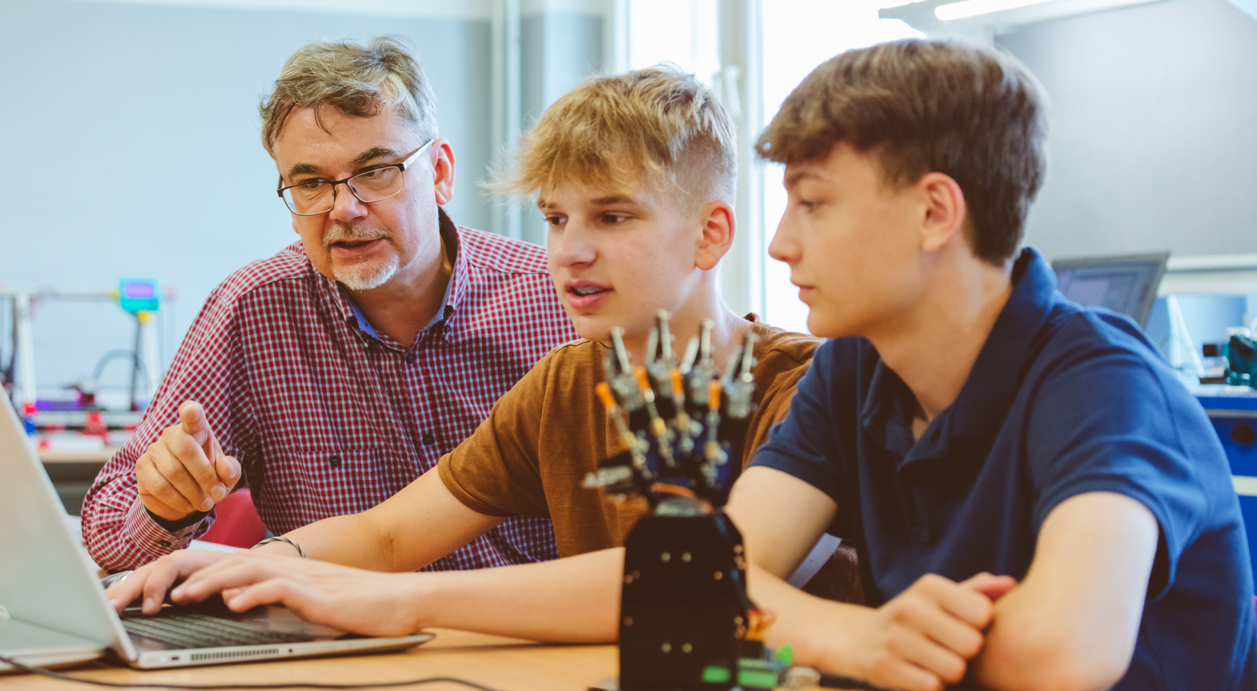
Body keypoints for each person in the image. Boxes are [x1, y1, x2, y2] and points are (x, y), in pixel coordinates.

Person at [108, 67, 826, 634]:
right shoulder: (566, 383)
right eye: (555, 217)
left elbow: (696, 579)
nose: (570, 252)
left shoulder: (802, 387)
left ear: (711, 234)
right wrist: (244, 567)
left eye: (612, 217)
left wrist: (401, 603)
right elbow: (388, 536)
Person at [721, 39, 1257, 691]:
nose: (780, 244)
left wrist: (797, 625)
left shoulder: (1106, 381)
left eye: (813, 203)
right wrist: (862, 638)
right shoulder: (852, 368)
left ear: (934, 212)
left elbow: (1056, 656)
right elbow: (698, 585)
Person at [82, 37, 575, 573]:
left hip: (534, 641)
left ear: (439, 173)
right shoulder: (253, 313)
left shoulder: (557, 298)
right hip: (343, 648)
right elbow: (107, 530)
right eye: (311, 183)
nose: (344, 208)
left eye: (376, 170)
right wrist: (165, 507)